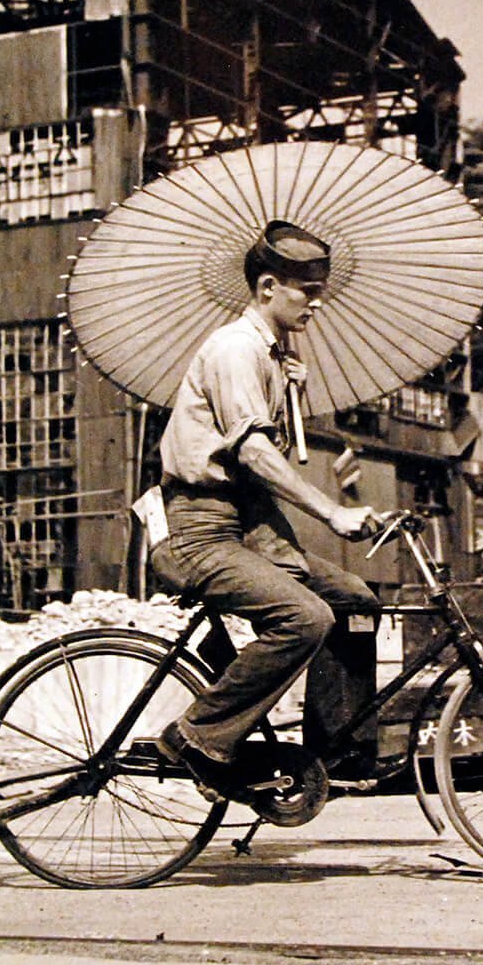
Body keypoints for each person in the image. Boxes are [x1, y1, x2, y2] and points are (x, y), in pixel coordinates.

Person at [152, 219, 383, 797]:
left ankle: (332, 753)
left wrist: (291, 390)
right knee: (305, 618)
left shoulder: (271, 355)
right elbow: (253, 453)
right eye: (307, 290)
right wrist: (332, 513)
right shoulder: (235, 349)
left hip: (252, 526)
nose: (317, 302)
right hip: (204, 527)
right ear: (268, 288)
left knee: (354, 599)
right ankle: (199, 735)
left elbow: (272, 450)